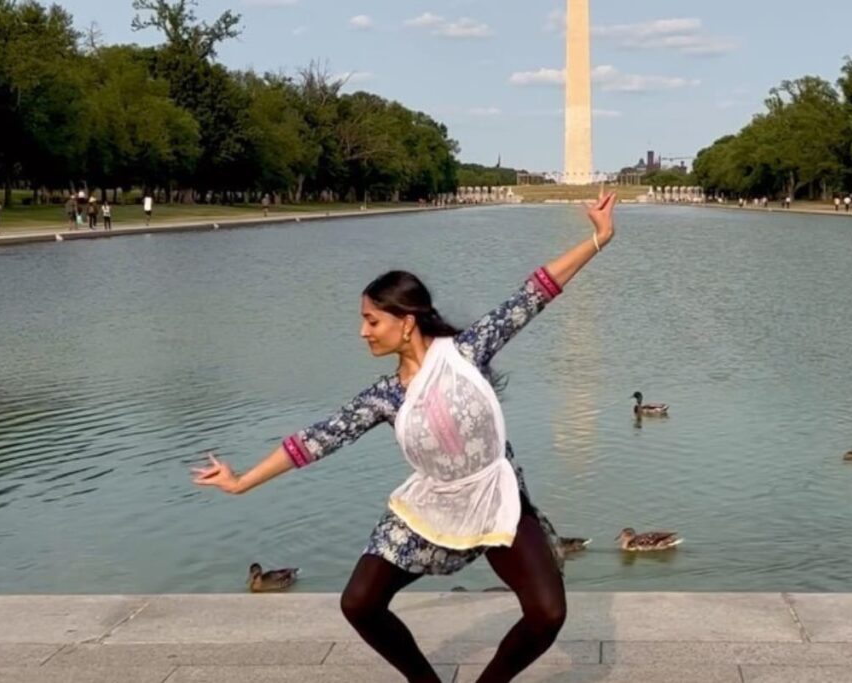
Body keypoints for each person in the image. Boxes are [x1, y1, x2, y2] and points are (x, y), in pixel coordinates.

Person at [192, 192, 620, 683]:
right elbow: (314, 441)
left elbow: (534, 292)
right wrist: (242, 480)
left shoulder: (466, 351)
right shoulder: (384, 397)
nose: (362, 332)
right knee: (359, 602)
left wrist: (598, 239)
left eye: (372, 321)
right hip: (431, 505)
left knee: (548, 614)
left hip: (495, 499)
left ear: (406, 321)